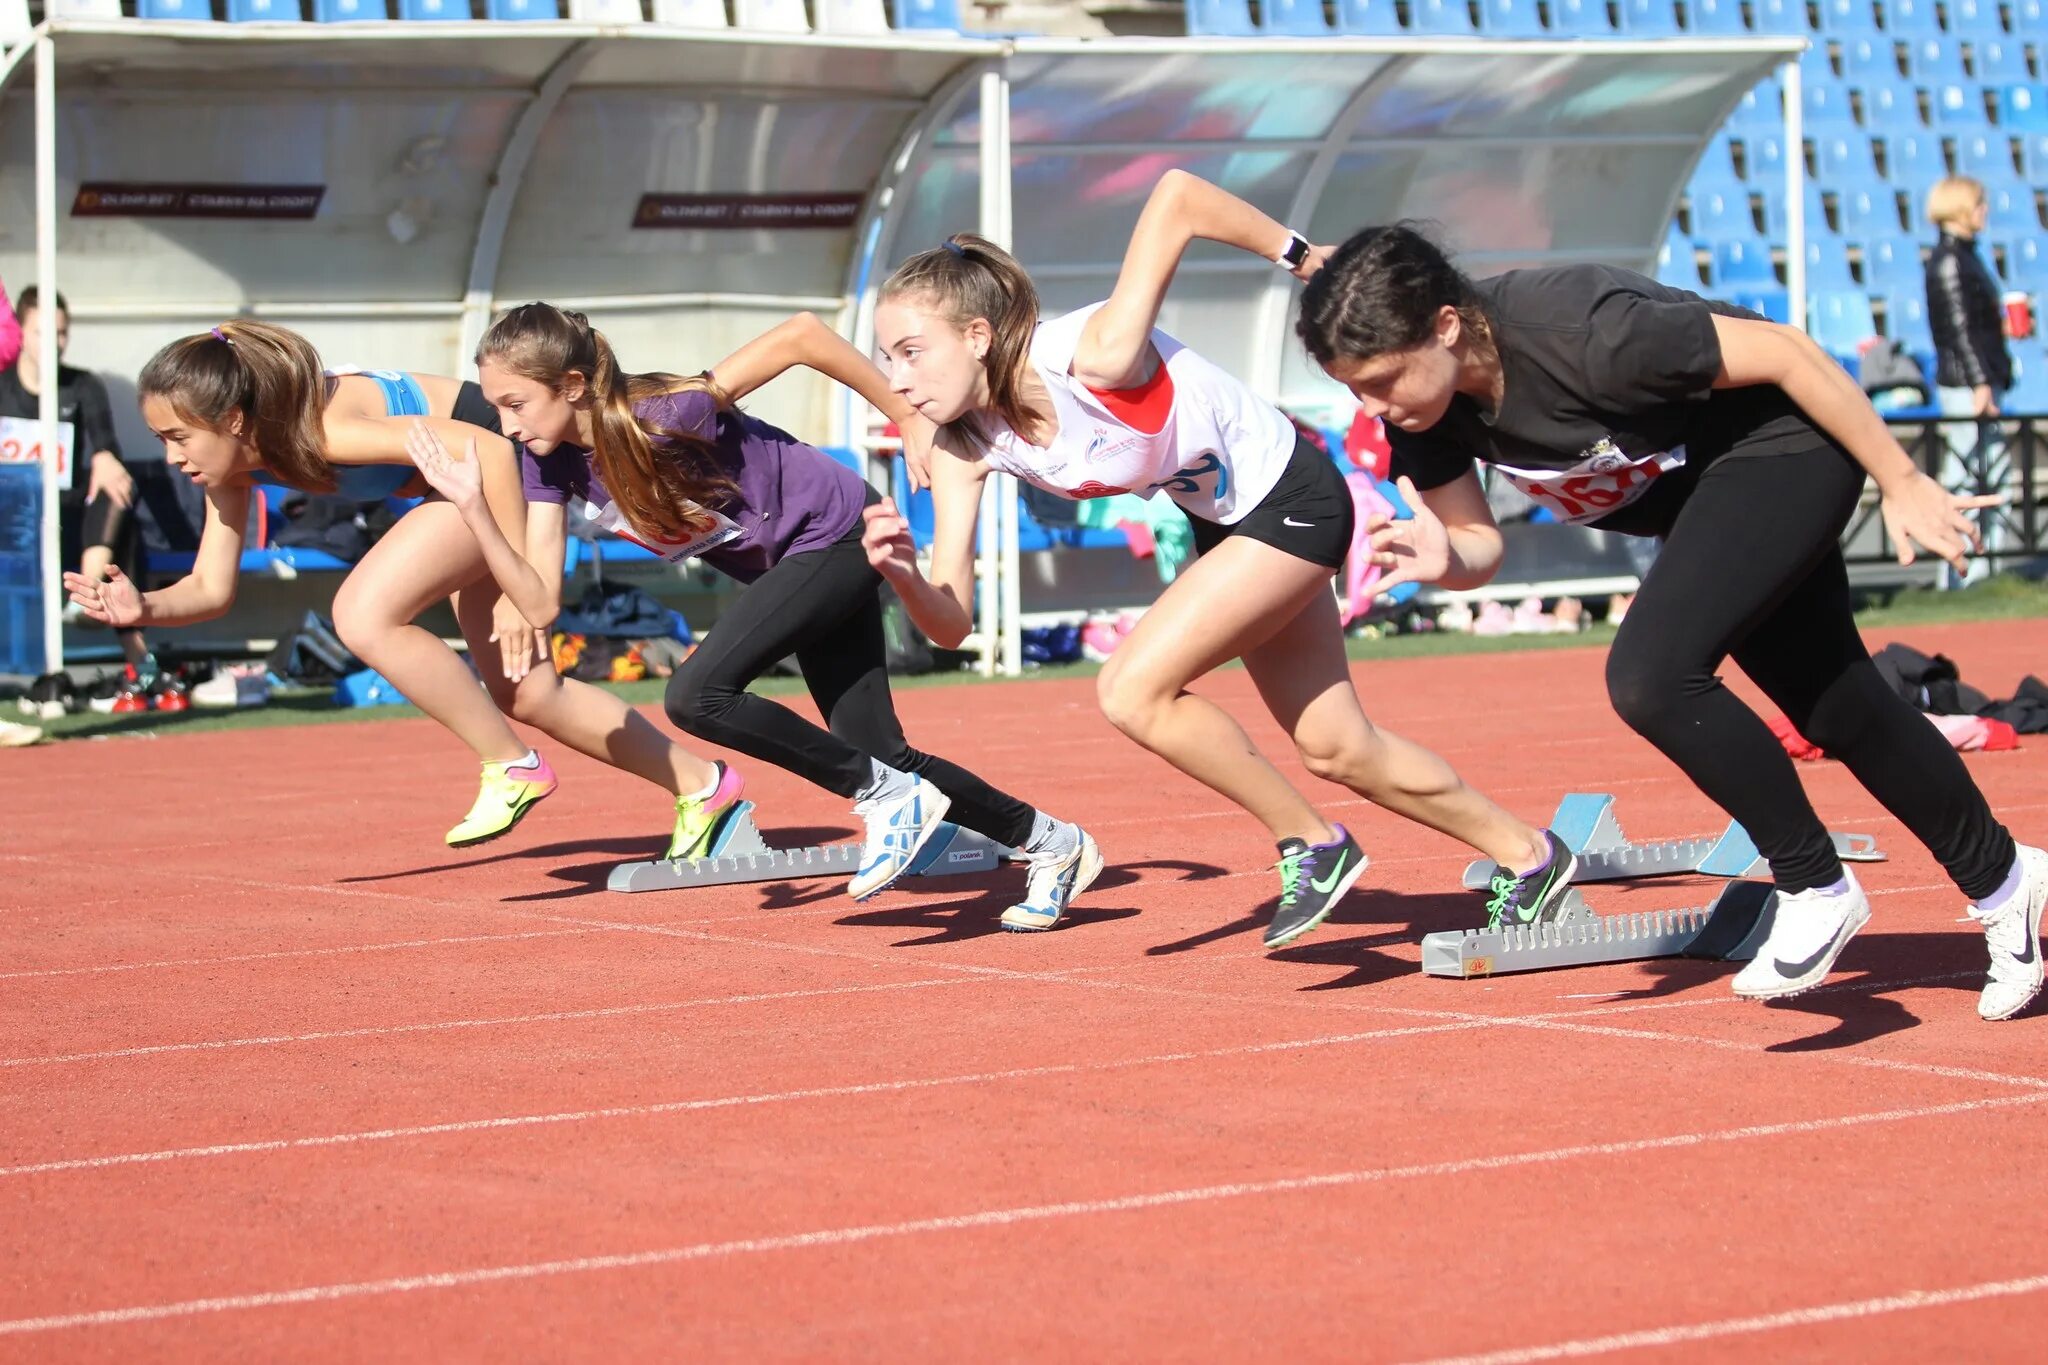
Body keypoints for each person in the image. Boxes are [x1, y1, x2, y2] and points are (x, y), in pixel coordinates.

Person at [1296, 223, 2043, 1018]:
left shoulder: (1585, 331)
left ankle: (1814, 883)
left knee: (1651, 676)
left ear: (1445, 325)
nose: (1370, 406)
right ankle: (2008, 883)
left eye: (1380, 380)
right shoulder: (1425, 414)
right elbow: (1481, 545)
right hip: (1709, 504)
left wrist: (1901, 479)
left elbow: (1788, 351)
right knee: (1838, 705)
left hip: (1782, 446)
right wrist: (1447, 560)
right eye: (1352, 389)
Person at [860, 170, 1577, 950]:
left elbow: (1176, 197)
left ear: (976, 336)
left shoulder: (1094, 355)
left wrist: (1302, 258)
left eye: (909, 352)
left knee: (1132, 689)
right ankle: (1531, 855)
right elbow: (952, 624)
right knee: (1338, 747)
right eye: (885, 358)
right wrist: (902, 572)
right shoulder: (966, 444)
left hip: (1294, 497)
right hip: (1226, 528)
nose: (896, 379)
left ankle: (1310, 842)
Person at [467, 303, 1100, 926]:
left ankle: (884, 797)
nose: (506, 423)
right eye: (497, 407)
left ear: (572, 386)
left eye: (515, 404)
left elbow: (802, 334)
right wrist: (476, 511)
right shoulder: (546, 462)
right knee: (879, 751)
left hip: (840, 532)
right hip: (797, 567)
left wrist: (904, 413)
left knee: (696, 694)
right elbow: (542, 600)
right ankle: (1051, 841)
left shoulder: (664, 412)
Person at [66, 320, 741, 858]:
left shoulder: (323, 427)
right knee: (530, 691)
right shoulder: (229, 470)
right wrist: (144, 608)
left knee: (363, 612)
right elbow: (212, 589)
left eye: (179, 436)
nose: (170, 456)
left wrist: (518, 586)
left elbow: (488, 450)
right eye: (161, 439)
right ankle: (705, 787)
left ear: (235, 421)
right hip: (462, 486)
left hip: (496, 461)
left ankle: (512, 766)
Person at [0, 287, 166, 710]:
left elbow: (106, 444)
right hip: (16, 526)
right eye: (42, 332)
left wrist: (107, 459)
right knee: (122, 530)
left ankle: (91, 591)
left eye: (61, 333)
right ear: (20, 332)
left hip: (75, 521)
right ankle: (137, 658)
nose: (53, 343)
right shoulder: (3, 390)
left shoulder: (82, 386)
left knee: (118, 487)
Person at [1924, 174, 2015, 581]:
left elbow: (1971, 323)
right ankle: (1963, 573)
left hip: (1974, 377)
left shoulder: (1965, 255)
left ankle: (1980, 570)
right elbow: (1958, 330)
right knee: (1969, 477)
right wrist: (1980, 383)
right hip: (1966, 384)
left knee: (1988, 475)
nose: (1985, 211)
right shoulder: (1949, 260)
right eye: (1979, 204)